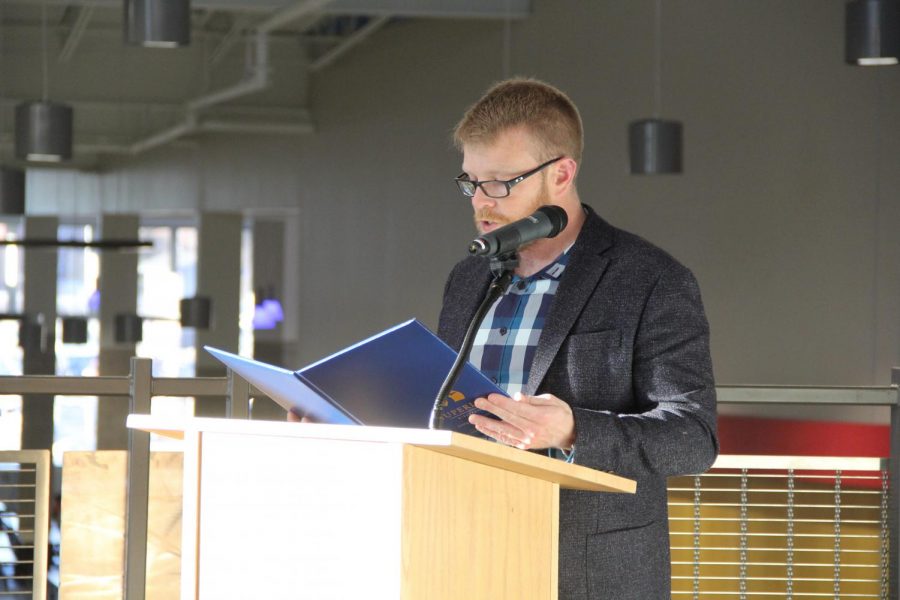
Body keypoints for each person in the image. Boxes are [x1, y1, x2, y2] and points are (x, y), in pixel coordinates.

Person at [437, 78, 718, 599]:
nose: (481, 201)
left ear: (562, 173)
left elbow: (692, 439)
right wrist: (345, 417)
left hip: (589, 569)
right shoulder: (467, 278)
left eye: (501, 182)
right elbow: (443, 406)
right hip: (462, 548)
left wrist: (573, 432)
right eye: (472, 181)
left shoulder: (652, 278)